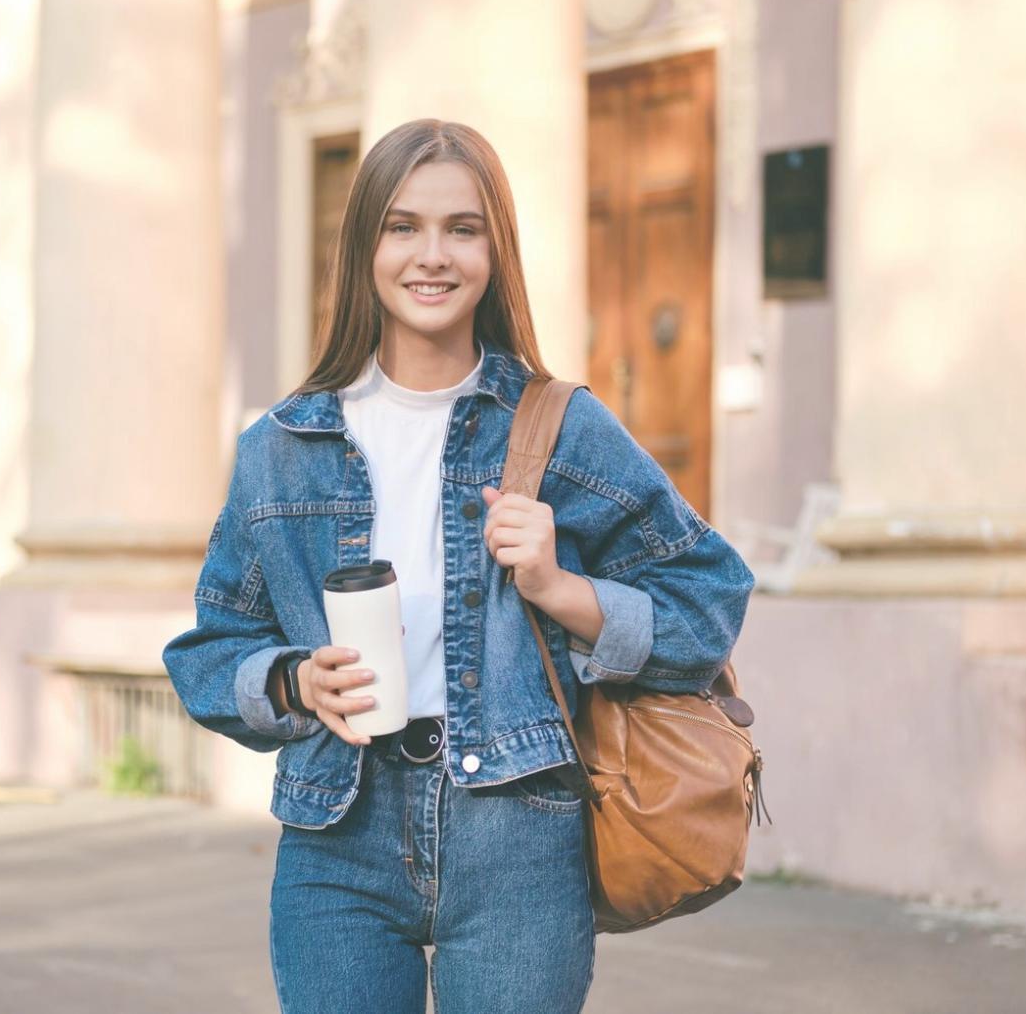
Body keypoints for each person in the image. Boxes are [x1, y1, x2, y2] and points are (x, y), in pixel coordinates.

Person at [163, 118, 754, 1014]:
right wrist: (293, 682)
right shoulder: (282, 449)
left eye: (461, 229)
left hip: (519, 828)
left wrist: (562, 590)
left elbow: (709, 598)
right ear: (364, 246)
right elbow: (209, 653)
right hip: (337, 834)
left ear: (493, 251)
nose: (431, 255)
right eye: (402, 227)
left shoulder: (560, 429)